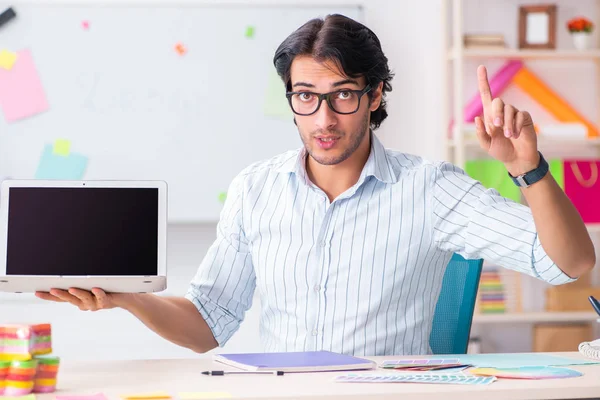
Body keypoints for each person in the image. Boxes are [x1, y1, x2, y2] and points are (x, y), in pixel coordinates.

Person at [36, 14, 596, 356]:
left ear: (375, 95)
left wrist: (530, 169)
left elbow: (569, 263)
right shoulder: (256, 191)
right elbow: (209, 326)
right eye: (305, 96)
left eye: (343, 95)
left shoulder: (432, 190)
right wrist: (128, 298)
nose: (323, 119)